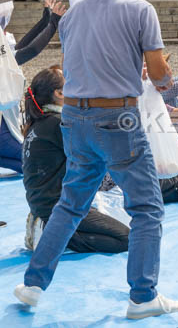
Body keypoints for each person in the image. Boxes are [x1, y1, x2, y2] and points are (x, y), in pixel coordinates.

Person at [14, 0, 178, 320]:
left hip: (74, 117)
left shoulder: (73, 15)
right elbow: (159, 76)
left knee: (70, 205)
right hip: (117, 118)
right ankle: (143, 297)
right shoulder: (141, 10)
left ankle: (33, 284)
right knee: (146, 208)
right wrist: (165, 79)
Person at [21, 67, 130, 253]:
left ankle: (51, 228)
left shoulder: (39, 123)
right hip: (59, 207)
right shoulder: (61, 123)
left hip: (43, 205)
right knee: (128, 239)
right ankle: (54, 235)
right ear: (59, 93)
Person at [0, 0, 69, 174]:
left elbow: (23, 46)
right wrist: (53, 23)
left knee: (30, 160)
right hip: (3, 129)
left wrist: (46, 18)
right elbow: (30, 51)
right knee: (37, 162)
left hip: (6, 124)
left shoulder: (4, 41)